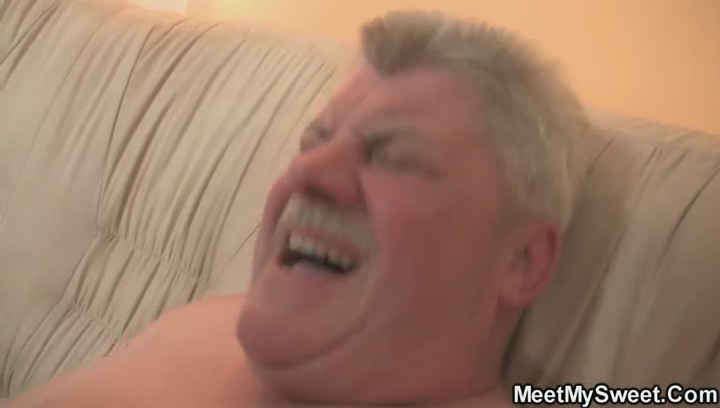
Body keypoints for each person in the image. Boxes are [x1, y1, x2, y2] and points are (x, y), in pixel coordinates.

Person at [7, 9, 590, 408]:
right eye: (314, 142)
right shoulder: (210, 323)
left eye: (392, 156)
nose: (305, 173)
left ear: (521, 262)